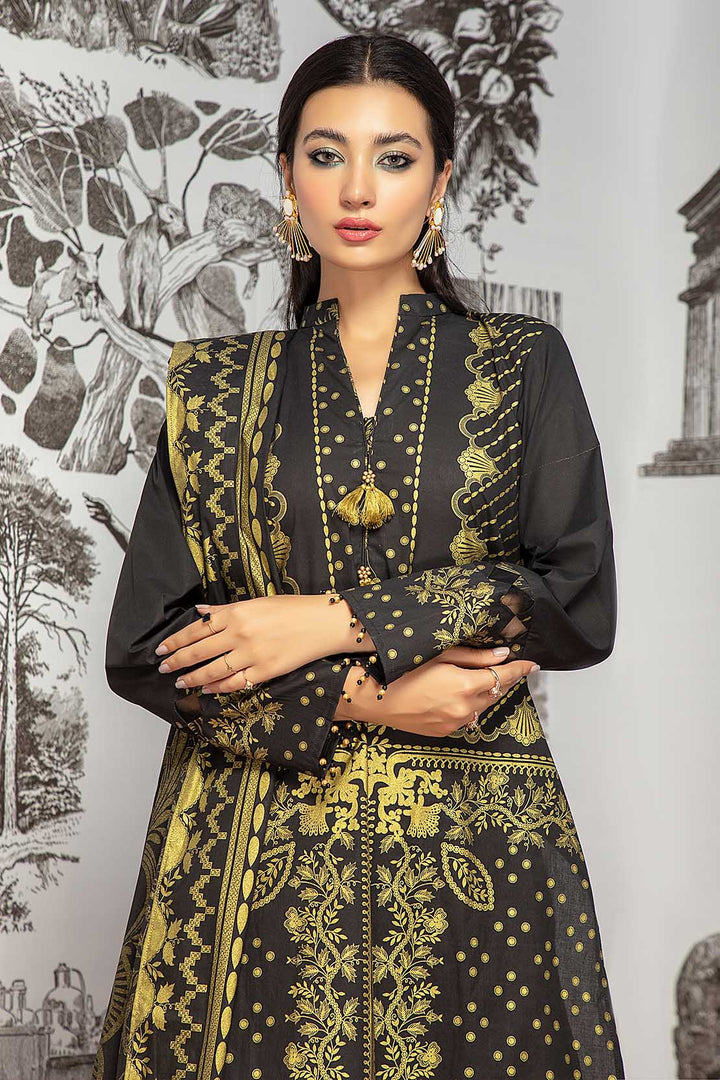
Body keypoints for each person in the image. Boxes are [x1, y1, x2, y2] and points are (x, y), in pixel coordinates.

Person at [92, 31, 624, 1080]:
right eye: (327, 154)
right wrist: (371, 697)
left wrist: (332, 620)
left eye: (395, 156)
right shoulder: (212, 387)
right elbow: (147, 648)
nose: (358, 188)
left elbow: (575, 598)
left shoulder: (522, 364)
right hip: (249, 855)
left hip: (478, 846)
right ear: (287, 174)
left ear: (441, 180)